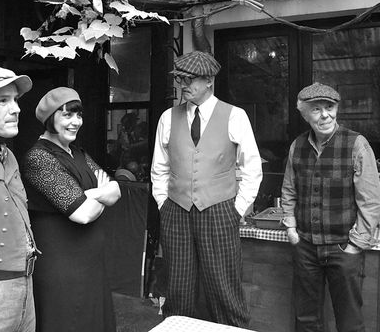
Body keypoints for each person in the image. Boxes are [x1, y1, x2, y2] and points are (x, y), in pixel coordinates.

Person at [151, 51, 262, 328]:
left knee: (224, 286)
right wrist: (163, 203)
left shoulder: (235, 116)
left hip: (219, 210)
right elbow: (159, 168)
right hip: (176, 210)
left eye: (190, 79)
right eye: (180, 79)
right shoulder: (168, 117)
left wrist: (235, 210)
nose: (183, 85)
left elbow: (251, 169)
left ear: (209, 80)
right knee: (178, 286)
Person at [281, 82, 380, 332]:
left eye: (330, 107)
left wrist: (356, 245)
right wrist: (291, 228)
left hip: (343, 248)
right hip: (305, 247)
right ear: (303, 113)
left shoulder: (357, 144)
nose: (325, 114)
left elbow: (370, 200)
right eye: (316, 109)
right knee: (306, 321)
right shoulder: (297, 146)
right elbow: (289, 190)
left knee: (350, 323)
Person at [21, 87, 121, 332]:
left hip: (90, 263)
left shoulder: (78, 153)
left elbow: (116, 190)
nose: (76, 122)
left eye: (78, 115)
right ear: (49, 119)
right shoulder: (39, 158)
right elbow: (83, 214)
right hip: (61, 266)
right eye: (67, 115)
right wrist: (100, 197)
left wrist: (92, 195)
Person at [0, 66, 36, 332]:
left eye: (14, 100)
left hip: (25, 285)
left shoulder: (8, 155)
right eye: (2, 100)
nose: (16, 109)